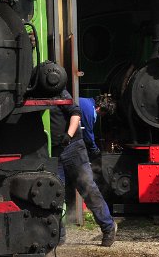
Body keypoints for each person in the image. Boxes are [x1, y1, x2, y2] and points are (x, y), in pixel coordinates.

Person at [50, 89, 116, 247]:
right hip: (52, 151)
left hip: (72, 147)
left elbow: (75, 112)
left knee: (88, 187)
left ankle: (108, 227)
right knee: (55, 195)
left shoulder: (58, 90)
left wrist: (69, 135)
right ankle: (58, 236)